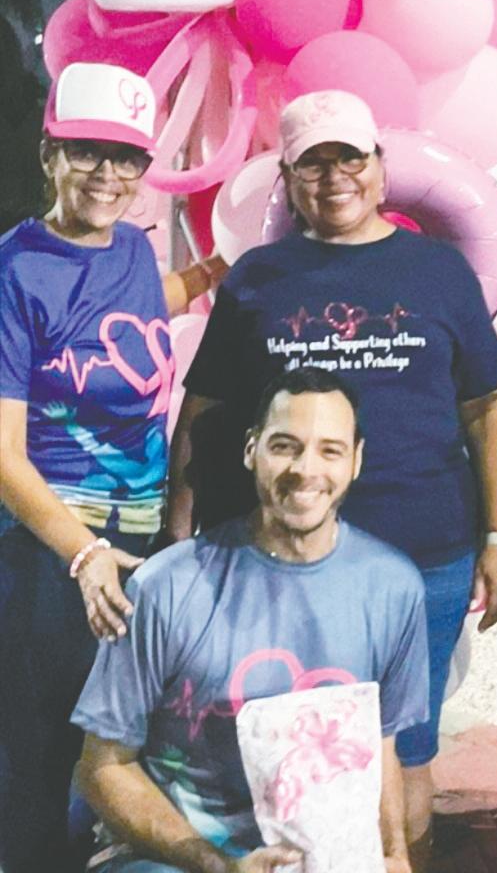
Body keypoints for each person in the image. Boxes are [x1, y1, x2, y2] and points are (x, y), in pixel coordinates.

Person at [165, 89, 497, 867]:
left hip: (423, 553)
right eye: (313, 165)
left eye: (349, 159)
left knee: (408, 747)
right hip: (282, 559)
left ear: (380, 169)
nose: (334, 179)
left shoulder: (439, 272)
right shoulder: (259, 278)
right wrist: (177, 529)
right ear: (288, 180)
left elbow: (487, 407)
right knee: (286, 736)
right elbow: (205, 410)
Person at [0, 61, 225, 873]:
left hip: (136, 544)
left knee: (116, 747)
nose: (108, 174)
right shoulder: (15, 269)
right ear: (49, 154)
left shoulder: (130, 247)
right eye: (86, 151)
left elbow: (136, 309)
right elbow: (2, 454)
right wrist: (82, 553)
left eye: (126, 156)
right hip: (50, 553)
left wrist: (216, 272)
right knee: (37, 757)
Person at [71, 368, 426, 872]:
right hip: (178, 856)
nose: (305, 469)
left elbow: (380, 745)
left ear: (356, 460)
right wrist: (218, 865)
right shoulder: (167, 586)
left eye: (330, 450)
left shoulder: (394, 587)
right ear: (250, 450)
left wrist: (392, 854)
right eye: (284, 446)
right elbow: (103, 768)